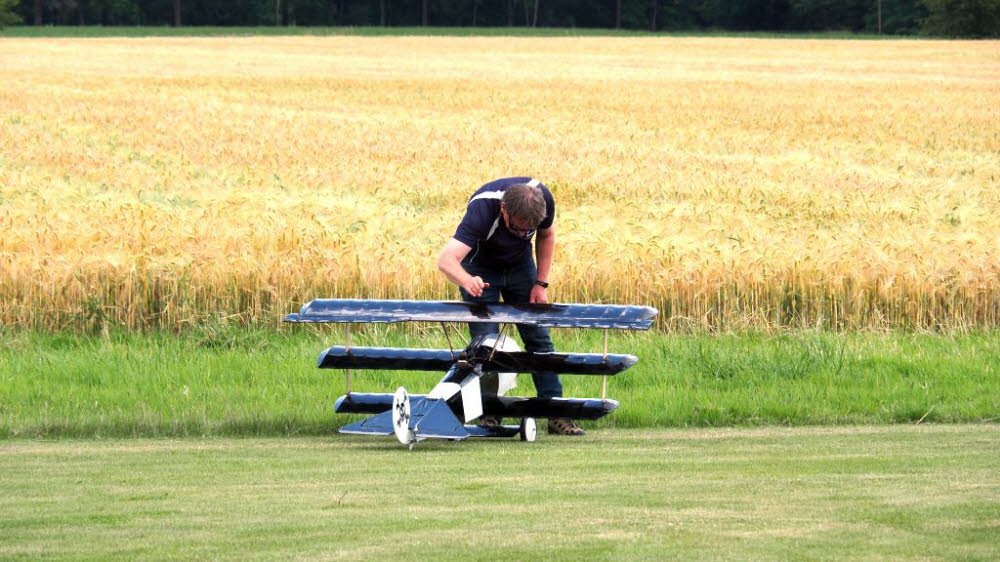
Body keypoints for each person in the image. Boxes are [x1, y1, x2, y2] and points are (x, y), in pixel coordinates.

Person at [437, 177, 585, 436]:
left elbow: (547, 235)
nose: (521, 234)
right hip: (479, 269)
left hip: (520, 268)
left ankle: (555, 413)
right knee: (487, 346)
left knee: (539, 340)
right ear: (504, 210)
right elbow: (446, 260)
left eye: (527, 230)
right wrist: (467, 280)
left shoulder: (543, 200)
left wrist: (541, 283)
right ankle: (490, 413)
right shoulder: (482, 210)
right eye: (516, 228)